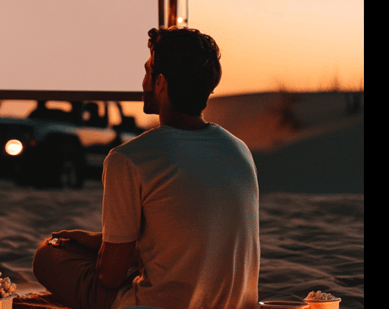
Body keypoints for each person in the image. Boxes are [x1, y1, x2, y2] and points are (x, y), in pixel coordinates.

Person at [32, 26, 260, 309]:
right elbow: (187, 240)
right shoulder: (238, 150)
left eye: (147, 70)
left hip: (155, 304)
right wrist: (97, 241)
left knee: (48, 254)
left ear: (161, 82)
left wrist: (110, 255)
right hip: (235, 304)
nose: (143, 81)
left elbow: (111, 276)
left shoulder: (130, 158)